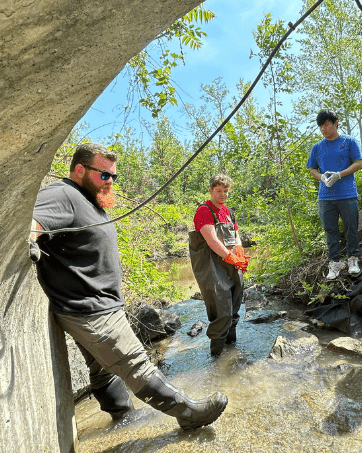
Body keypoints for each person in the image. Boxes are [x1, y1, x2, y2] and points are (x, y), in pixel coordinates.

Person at [29, 143, 227, 430]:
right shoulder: (62, 194)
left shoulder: (89, 198)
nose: (110, 182)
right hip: (90, 308)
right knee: (135, 363)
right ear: (80, 169)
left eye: (113, 176)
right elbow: (33, 222)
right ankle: (187, 412)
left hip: (100, 303)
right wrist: (30, 241)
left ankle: (122, 419)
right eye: (104, 175)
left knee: (102, 369)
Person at [188, 173, 249, 357]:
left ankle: (231, 351)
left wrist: (239, 250)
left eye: (226, 191)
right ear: (211, 190)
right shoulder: (204, 211)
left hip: (230, 263)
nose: (223, 194)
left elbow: (236, 234)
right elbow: (212, 241)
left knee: (234, 307)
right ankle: (216, 358)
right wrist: (232, 258)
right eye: (219, 191)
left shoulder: (228, 211)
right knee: (222, 311)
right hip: (212, 266)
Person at [306, 109, 362, 280]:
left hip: (347, 194)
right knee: (330, 230)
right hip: (325, 197)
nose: (323, 128)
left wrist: (340, 174)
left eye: (326, 124)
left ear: (336, 123)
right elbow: (312, 169)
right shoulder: (317, 147)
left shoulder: (349, 141)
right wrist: (321, 177)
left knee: (351, 228)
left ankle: (353, 259)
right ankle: (335, 263)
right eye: (321, 126)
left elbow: (359, 163)